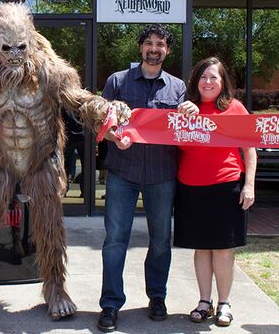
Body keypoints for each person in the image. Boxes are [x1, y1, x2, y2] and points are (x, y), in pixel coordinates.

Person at [97, 24, 186, 332]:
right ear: (140, 48)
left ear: (167, 50)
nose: (154, 48)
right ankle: (110, 304)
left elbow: (185, 131)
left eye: (160, 44)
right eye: (149, 43)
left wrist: (189, 111)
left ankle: (157, 297)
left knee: (161, 241)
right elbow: (103, 123)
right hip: (123, 171)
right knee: (114, 241)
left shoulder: (178, 89)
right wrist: (113, 137)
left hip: (162, 175)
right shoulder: (117, 81)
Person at [175, 57, 256, 327]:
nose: (208, 82)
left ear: (223, 83)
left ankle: (224, 303)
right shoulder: (186, 109)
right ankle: (203, 302)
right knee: (201, 249)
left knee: (222, 249)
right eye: (203, 77)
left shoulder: (235, 108)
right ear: (195, 82)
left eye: (214, 77)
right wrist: (181, 117)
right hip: (190, 186)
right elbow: (173, 141)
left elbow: (249, 149)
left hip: (226, 184)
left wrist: (249, 184)